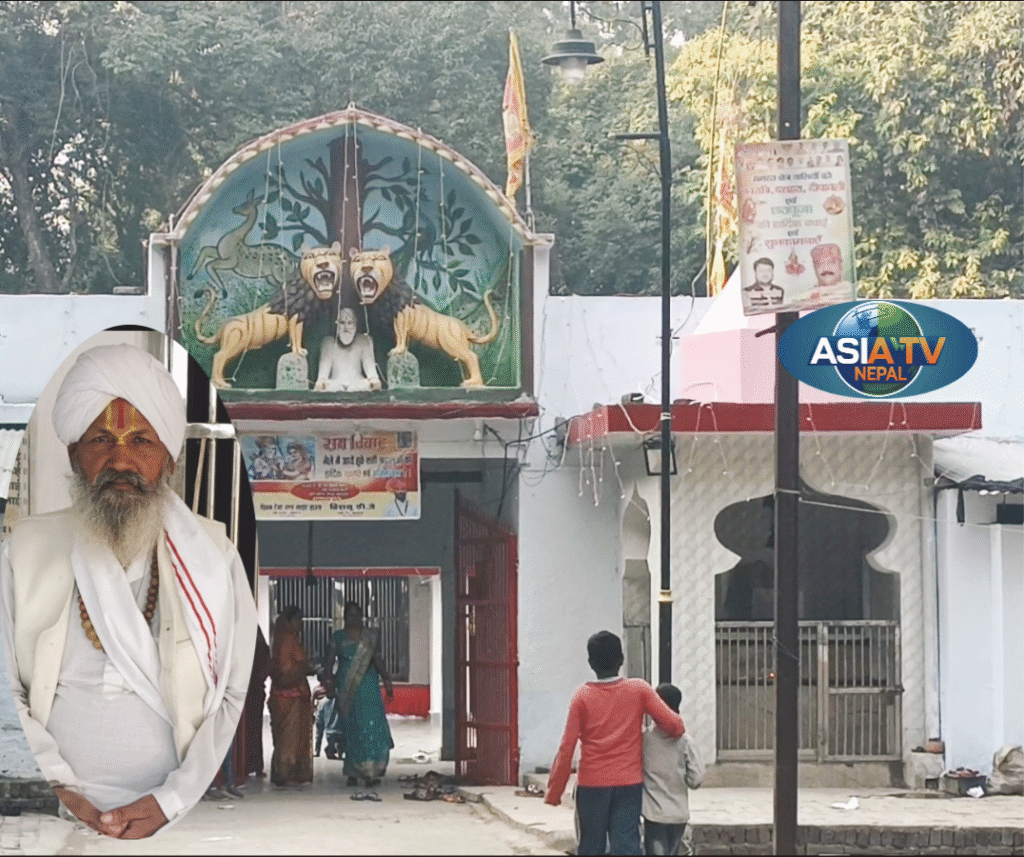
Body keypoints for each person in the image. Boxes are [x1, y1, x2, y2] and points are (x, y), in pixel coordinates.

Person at [0, 342, 257, 839]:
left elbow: (233, 694)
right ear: (74, 454)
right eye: (101, 440)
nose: (121, 461)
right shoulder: (24, 551)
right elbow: (7, 690)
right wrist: (56, 787)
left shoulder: (213, 557)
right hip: (51, 814)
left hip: (178, 818)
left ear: (169, 459)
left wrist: (172, 800)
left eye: (142, 441)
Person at [545, 631, 685, 856]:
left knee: (591, 847)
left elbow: (566, 747)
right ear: (621, 659)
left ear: (591, 663)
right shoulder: (638, 689)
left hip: (591, 785)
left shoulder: (581, 697)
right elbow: (674, 725)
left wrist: (555, 792)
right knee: (626, 846)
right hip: (629, 784)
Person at [323, 601, 394, 788]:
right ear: (344, 617)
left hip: (369, 684)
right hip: (347, 686)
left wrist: (387, 680)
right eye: (350, 615)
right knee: (351, 726)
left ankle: (371, 771)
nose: (354, 619)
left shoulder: (370, 636)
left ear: (362, 616)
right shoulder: (337, 637)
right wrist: (328, 681)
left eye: (357, 615)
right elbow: (329, 661)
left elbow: (377, 659)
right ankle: (353, 771)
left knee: (371, 724)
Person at [642, 684, 705, 856]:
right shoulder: (686, 742)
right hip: (678, 814)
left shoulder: (645, 740)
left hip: (654, 814)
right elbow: (697, 779)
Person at [268, 606, 315, 786]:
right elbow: (287, 671)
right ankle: (286, 773)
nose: (300, 623)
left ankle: (286, 772)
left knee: (286, 738)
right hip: (290, 696)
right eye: (297, 619)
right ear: (288, 622)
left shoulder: (282, 639)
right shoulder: (288, 640)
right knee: (289, 739)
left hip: (285, 696)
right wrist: (306, 666)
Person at [313, 307, 382, 392]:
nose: (346, 327)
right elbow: (322, 375)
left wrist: (374, 379)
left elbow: (370, 367)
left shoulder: (364, 341)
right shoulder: (328, 342)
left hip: (358, 385)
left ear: (355, 324)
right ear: (336, 324)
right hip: (335, 385)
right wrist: (321, 382)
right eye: (342, 323)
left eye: (350, 323)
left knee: (366, 385)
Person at [808, 243, 855, 307]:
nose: (826, 268)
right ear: (814, 268)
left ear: (840, 264)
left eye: (831, 262)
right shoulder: (806, 296)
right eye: (820, 264)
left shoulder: (852, 291)